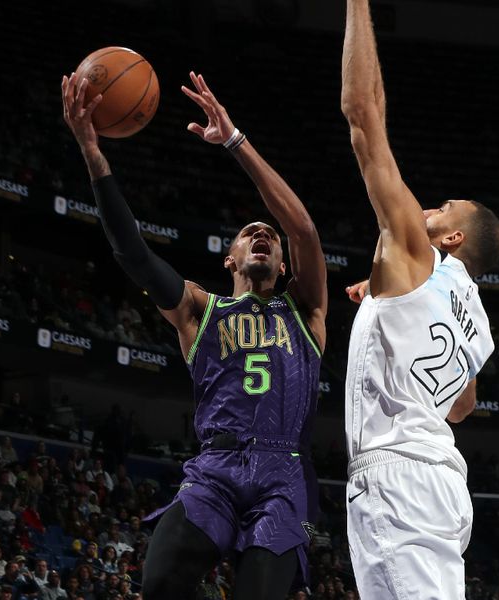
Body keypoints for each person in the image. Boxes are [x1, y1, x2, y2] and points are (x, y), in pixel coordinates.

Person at [61, 68, 327, 600]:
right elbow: (132, 253)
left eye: (268, 236)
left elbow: (302, 228)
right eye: (250, 233)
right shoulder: (198, 309)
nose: (263, 236)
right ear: (229, 257)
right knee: (158, 582)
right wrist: (93, 153)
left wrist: (233, 141)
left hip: (283, 474)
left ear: (280, 259)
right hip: (215, 470)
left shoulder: (306, 308)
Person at [340, 1, 499, 598]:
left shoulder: (419, 255)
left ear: (454, 237)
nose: (430, 206)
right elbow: (460, 406)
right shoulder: (479, 326)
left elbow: (364, 114)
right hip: (444, 484)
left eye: (445, 208)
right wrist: (393, 310)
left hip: (399, 478)